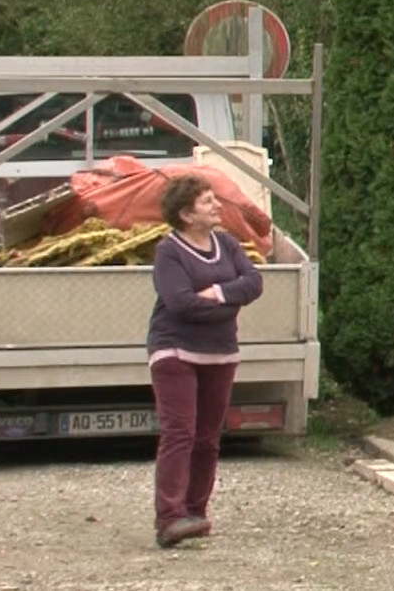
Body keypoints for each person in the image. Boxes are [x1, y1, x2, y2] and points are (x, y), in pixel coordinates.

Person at [147, 173, 263, 548]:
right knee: (179, 431)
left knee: (208, 438)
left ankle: (196, 511)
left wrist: (215, 293)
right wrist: (229, 305)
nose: (216, 205)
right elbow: (179, 303)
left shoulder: (227, 244)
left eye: (215, 199)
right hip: (175, 350)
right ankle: (169, 518)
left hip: (220, 352)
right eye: (207, 201)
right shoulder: (169, 251)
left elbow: (253, 283)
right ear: (185, 214)